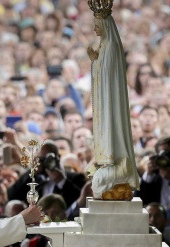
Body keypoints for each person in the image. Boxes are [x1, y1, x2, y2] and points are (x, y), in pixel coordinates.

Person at [86, 0, 140, 199]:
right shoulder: (106, 46)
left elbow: (107, 76)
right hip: (105, 100)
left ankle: (114, 166)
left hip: (110, 103)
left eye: (97, 25)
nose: (94, 28)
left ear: (105, 25)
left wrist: (96, 62)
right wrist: (95, 62)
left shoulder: (110, 47)